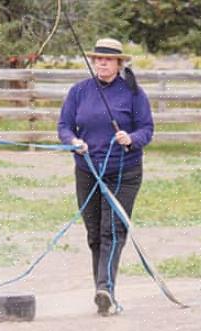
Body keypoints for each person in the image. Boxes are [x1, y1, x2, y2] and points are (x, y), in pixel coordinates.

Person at [57, 38, 154, 316]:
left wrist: (130, 138)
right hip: (87, 170)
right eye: (98, 58)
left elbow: (147, 129)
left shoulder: (134, 94)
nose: (101, 63)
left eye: (108, 59)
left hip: (123, 172)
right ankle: (103, 289)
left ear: (119, 63)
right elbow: (64, 125)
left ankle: (106, 290)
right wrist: (73, 140)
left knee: (112, 231)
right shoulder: (79, 91)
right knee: (94, 234)